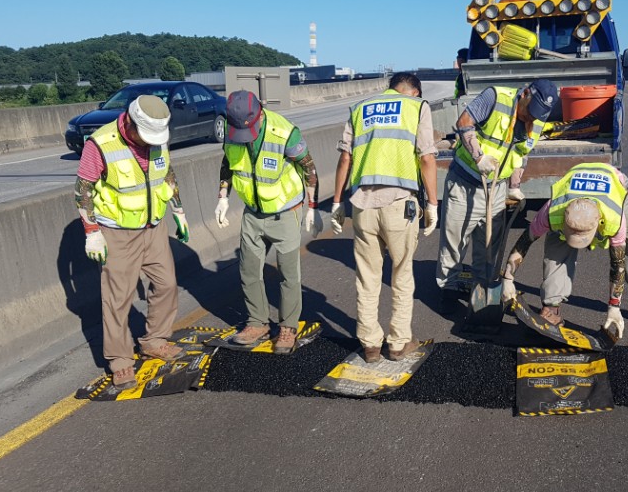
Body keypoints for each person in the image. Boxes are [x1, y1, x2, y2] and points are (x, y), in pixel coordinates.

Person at [76, 95, 190, 391]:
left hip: (153, 225)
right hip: (118, 232)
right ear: (130, 121)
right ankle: (120, 361)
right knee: (118, 298)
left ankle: (154, 340)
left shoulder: (157, 139)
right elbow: (83, 189)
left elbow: (168, 174)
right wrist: (92, 231)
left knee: (165, 283)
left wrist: (178, 210)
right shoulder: (100, 144)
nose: (152, 142)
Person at [331, 72, 439, 362]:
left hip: (363, 206)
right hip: (399, 205)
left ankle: (370, 345)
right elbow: (427, 158)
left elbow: (345, 159)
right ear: (414, 91)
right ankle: (398, 343)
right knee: (402, 274)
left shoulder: (360, 109)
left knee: (367, 278)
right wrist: (432, 204)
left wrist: (338, 202)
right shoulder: (417, 107)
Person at [500, 161, 628, 337]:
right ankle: (551, 307)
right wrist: (508, 279)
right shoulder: (552, 211)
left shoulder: (614, 218)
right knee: (556, 250)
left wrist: (614, 306)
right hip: (573, 195)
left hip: (615, 192)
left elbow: (617, 265)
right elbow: (525, 241)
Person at [435, 79, 558, 315]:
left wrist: (514, 186)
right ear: (524, 94)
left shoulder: (537, 120)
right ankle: (448, 292)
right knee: (454, 242)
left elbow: (522, 154)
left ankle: (481, 295)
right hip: (465, 183)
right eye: (529, 112)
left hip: (497, 187)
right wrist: (479, 157)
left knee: (488, 246)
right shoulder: (495, 97)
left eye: (537, 116)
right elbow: (463, 122)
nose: (530, 120)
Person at [214, 90, 323, 353]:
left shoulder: (285, 133)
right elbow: (228, 163)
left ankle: (288, 327)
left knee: (288, 273)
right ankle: (257, 322)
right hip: (252, 213)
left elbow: (308, 167)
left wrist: (313, 207)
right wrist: (223, 197)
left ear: (260, 114)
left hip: (285, 212)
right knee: (249, 271)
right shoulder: (231, 131)